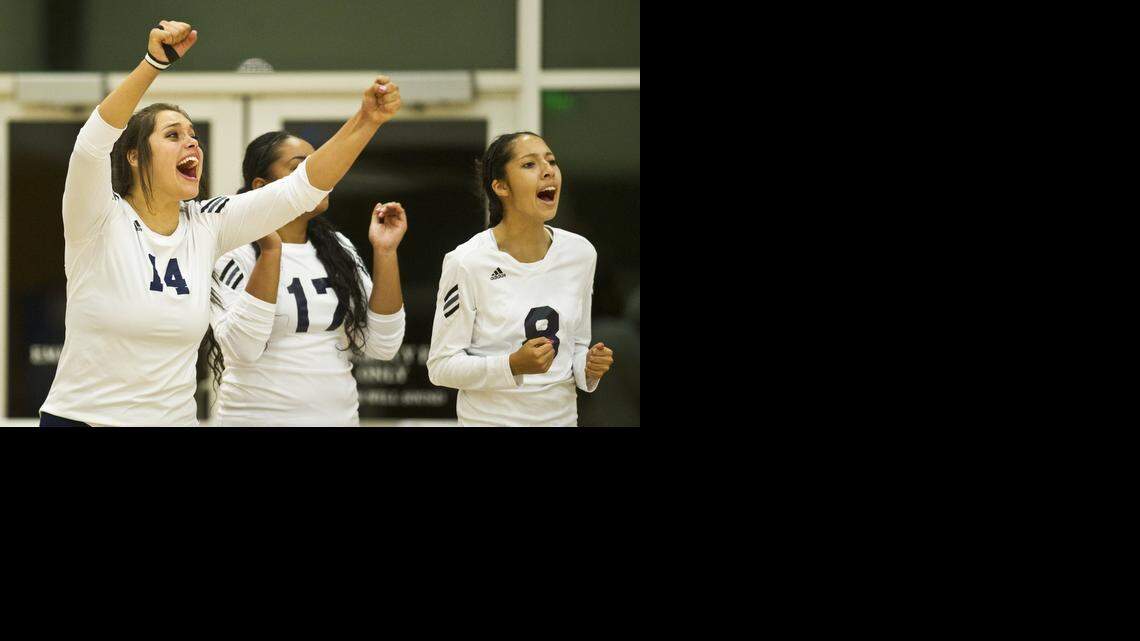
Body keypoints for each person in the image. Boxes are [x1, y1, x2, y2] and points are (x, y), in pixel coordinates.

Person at [38, 19, 403, 427]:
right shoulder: (99, 216)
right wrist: (152, 63)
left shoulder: (206, 224)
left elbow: (301, 188)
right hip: (83, 419)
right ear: (135, 156)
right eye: (173, 135)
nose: (192, 142)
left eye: (193, 135)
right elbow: (91, 144)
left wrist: (366, 120)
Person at [202, 131, 407, 426]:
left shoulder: (338, 248)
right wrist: (271, 251)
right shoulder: (233, 252)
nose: (318, 175)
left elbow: (382, 345)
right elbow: (243, 349)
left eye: (318, 164)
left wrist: (386, 252)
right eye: (300, 168)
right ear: (262, 187)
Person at [427, 132, 614, 426]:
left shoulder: (581, 253)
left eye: (551, 161)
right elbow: (441, 366)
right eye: (529, 164)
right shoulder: (467, 261)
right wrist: (511, 365)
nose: (548, 170)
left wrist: (588, 367)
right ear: (501, 186)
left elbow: (576, 345)